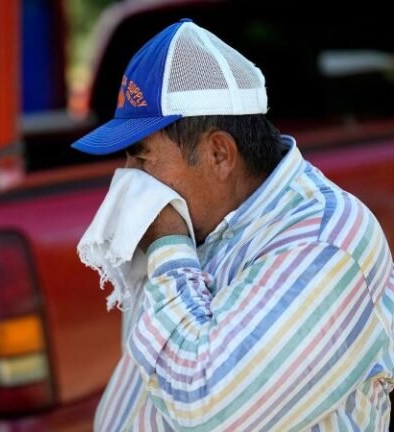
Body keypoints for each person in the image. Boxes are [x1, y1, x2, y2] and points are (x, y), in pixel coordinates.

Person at [72, 19, 394, 431]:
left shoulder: (326, 243)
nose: (129, 179)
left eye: (141, 156)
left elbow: (205, 411)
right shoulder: (195, 220)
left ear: (219, 154)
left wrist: (167, 245)